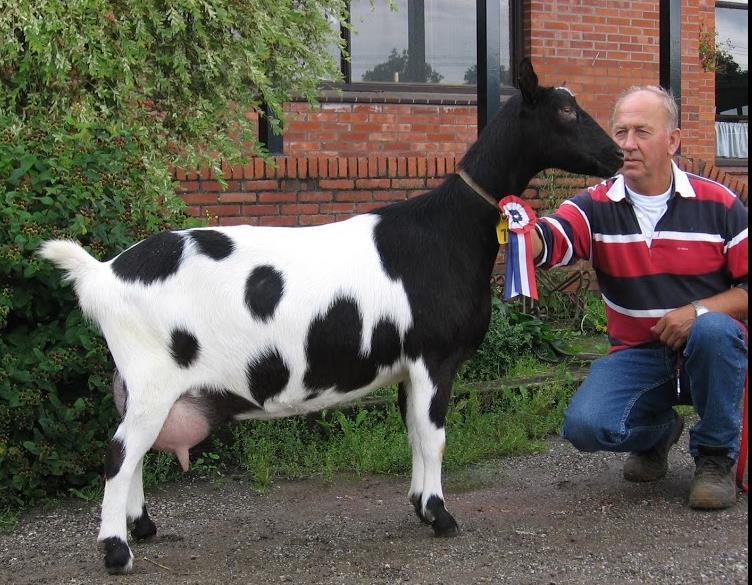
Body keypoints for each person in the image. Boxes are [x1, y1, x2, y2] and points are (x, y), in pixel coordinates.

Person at [529, 85, 748, 509]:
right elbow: (551, 239)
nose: (628, 145)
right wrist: (519, 234)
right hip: (639, 355)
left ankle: (715, 458)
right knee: (586, 427)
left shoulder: (720, 203)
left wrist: (697, 311)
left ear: (673, 140)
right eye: (620, 132)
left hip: (710, 350)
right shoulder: (595, 204)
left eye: (642, 132)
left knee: (716, 330)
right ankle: (658, 433)